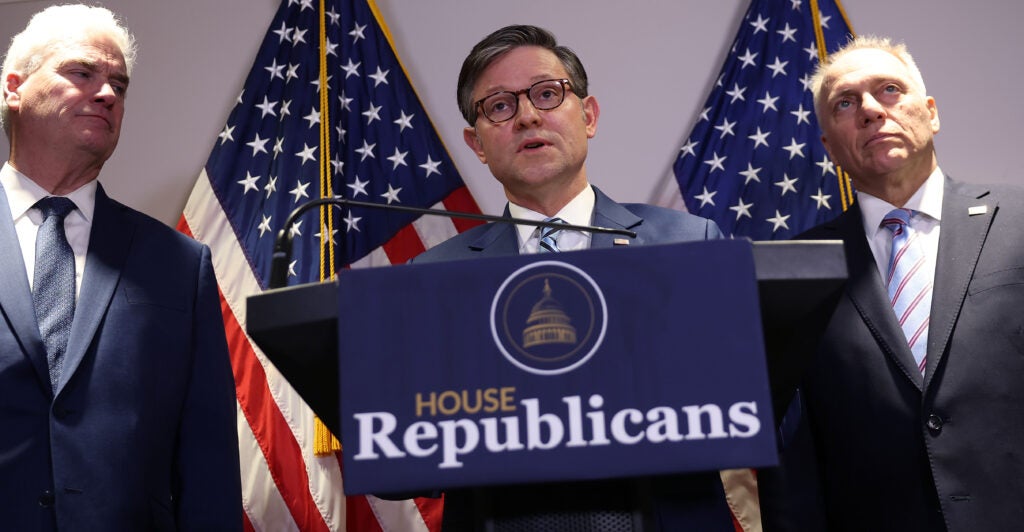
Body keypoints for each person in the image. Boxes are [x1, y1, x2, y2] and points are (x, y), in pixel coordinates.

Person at [414, 24, 734, 531]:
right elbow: (412, 452)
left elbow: (742, 407)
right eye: (499, 105)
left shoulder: (689, 244)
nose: (526, 116)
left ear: (588, 116)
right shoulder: (431, 278)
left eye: (547, 94)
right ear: (476, 144)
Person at [763, 35, 1024, 531]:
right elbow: (793, 448)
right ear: (827, 144)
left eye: (888, 90)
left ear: (930, 112)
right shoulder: (793, 269)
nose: (869, 110)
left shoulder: (1019, 221)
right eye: (845, 103)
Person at [0, 5, 241, 529]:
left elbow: (208, 459)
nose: (107, 93)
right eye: (82, 73)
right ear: (13, 89)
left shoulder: (180, 264)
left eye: (119, 85)